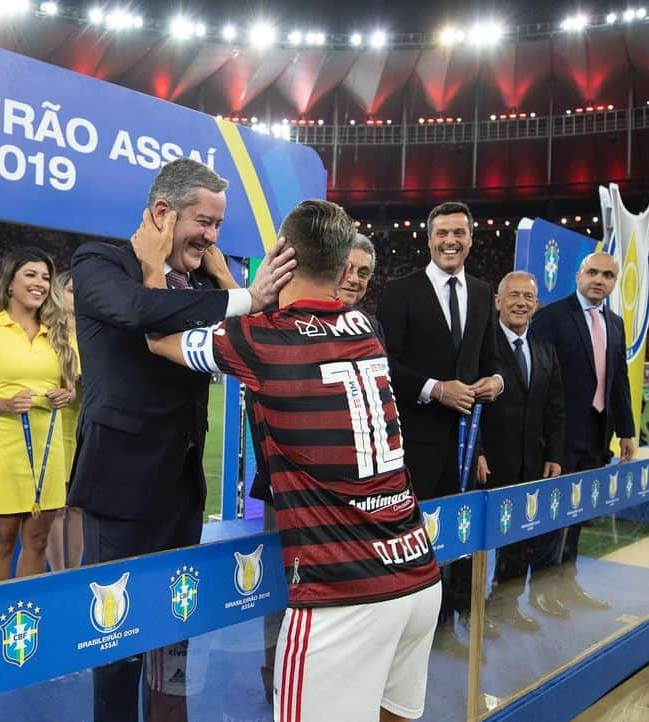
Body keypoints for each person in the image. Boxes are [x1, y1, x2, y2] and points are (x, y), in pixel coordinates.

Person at [147, 199, 441, 722]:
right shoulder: (364, 329)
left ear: (282, 252)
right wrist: (223, 274)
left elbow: (157, 336)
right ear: (343, 267)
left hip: (342, 590)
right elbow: (297, 330)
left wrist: (152, 263)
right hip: (417, 576)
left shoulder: (262, 340)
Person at [68, 157, 294, 722]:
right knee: (116, 643)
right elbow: (142, 313)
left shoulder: (198, 288)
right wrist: (244, 296)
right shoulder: (99, 262)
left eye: (219, 226)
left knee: (175, 634)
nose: (213, 238)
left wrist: (226, 282)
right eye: (205, 222)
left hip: (181, 491)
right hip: (119, 491)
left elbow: (250, 348)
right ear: (163, 212)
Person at [249, 230, 377, 702]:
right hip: (288, 492)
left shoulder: (367, 328)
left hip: (354, 499)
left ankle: (333, 675)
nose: (356, 280)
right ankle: (276, 675)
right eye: (350, 270)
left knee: (343, 591)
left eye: (365, 273)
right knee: (286, 590)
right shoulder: (275, 323)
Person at [376, 201, 504, 654]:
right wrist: (435, 389)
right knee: (413, 537)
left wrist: (496, 382)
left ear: (471, 238)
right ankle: (406, 627)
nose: (451, 241)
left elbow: (490, 361)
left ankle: (446, 623)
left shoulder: (485, 292)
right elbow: (386, 364)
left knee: (456, 537)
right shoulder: (399, 290)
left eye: (459, 233)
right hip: (414, 442)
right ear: (428, 239)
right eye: (442, 233)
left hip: (466, 445)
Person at [0, 247, 78, 583]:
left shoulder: (58, 332)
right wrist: (5, 404)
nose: (40, 283)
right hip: (2, 449)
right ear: (10, 282)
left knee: (37, 543)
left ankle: (27, 617)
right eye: (31, 274)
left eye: (46, 277)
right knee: (1, 543)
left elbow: (72, 387)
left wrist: (67, 394)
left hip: (48, 450)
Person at [528, 252, 635, 611]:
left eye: (608, 275)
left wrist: (627, 430)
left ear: (615, 281)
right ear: (578, 274)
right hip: (558, 439)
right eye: (593, 272)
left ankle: (567, 582)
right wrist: (544, 442)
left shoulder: (616, 323)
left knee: (578, 513)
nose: (599, 279)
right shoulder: (550, 318)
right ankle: (541, 590)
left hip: (597, 434)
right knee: (552, 515)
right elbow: (539, 384)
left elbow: (617, 380)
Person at [476, 272, 566, 630]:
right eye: (513, 295)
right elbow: (471, 403)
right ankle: (467, 613)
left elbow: (556, 408)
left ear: (536, 304)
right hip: (489, 463)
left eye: (528, 297)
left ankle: (504, 605)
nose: (520, 302)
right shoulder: (482, 345)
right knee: (481, 542)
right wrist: (477, 450)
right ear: (498, 301)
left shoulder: (545, 350)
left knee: (519, 537)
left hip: (532, 462)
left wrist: (554, 455)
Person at [47, 270, 84, 571]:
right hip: (53, 431)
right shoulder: (46, 333)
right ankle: (58, 575)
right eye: (72, 290)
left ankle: (73, 573)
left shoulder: (94, 333)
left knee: (78, 509)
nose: (78, 295)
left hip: (84, 431)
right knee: (55, 511)